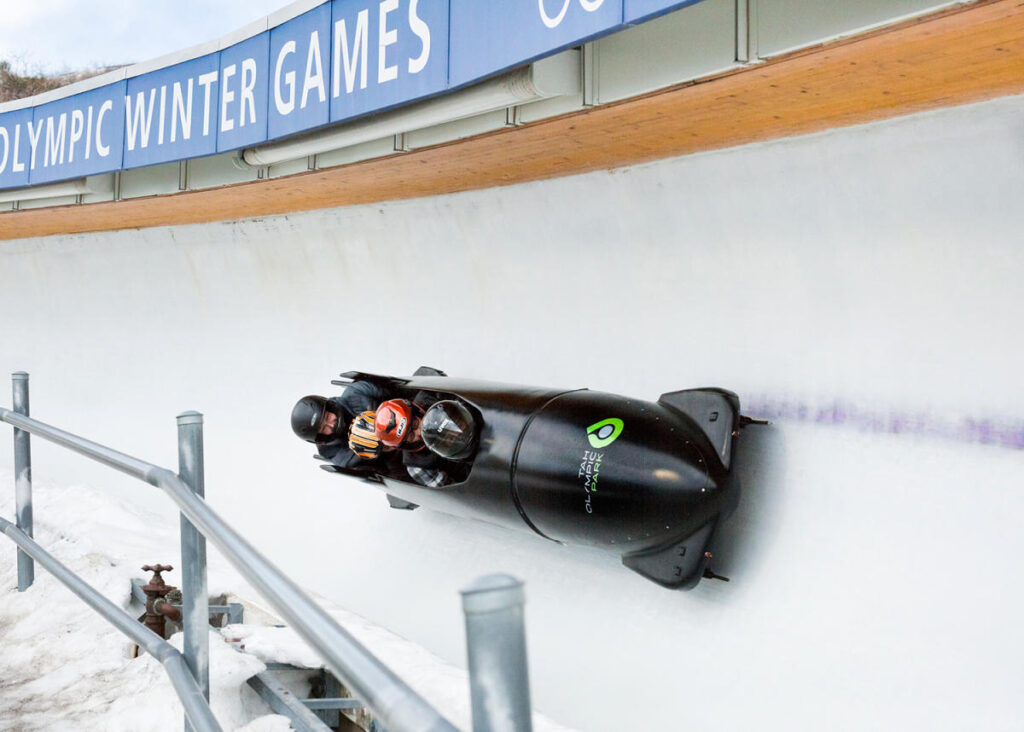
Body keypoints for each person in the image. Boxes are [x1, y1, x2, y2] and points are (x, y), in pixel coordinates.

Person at [374, 393, 474, 487]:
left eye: (415, 424)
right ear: (405, 444)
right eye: (411, 436)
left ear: (416, 412)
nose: (419, 432)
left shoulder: (430, 395)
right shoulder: (416, 466)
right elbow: (453, 489)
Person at [290, 380, 388, 470]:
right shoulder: (331, 451)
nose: (331, 425)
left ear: (330, 407)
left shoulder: (356, 391)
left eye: (328, 417)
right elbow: (361, 466)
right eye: (324, 428)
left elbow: (391, 391)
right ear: (321, 437)